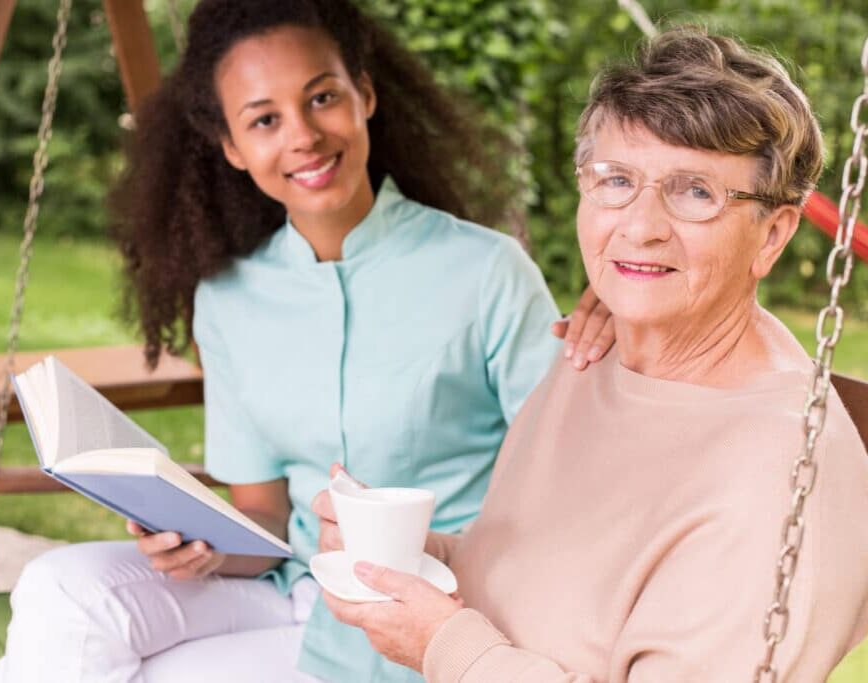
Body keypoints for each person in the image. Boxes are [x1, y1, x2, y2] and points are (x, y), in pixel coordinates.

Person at [0, 1, 613, 681]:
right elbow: (265, 516)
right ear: (230, 144)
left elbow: (566, 472)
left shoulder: (486, 271)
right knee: (60, 588)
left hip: (431, 613)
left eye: (322, 98)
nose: (304, 136)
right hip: (294, 597)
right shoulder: (228, 301)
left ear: (364, 95)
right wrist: (206, 544)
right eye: (264, 119)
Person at [321, 26, 868, 682]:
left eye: (696, 192)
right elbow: (538, 583)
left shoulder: (772, 480)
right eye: (615, 180)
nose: (640, 226)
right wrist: (408, 556)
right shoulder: (595, 349)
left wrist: (444, 643)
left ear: (773, 234)